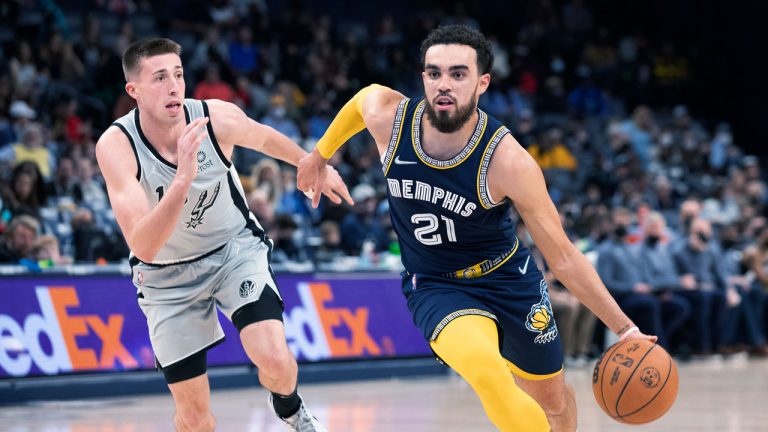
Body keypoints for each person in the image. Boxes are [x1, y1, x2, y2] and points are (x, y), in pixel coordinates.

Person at [297, 24, 655, 432]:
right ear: (423, 78)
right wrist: (319, 154)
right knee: (488, 374)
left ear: (482, 82)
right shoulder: (391, 121)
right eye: (434, 73)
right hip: (437, 285)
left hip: (508, 280)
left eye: (457, 73)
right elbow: (363, 100)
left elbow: (564, 257)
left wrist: (625, 329)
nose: (443, 85)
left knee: (553, 402)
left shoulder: (507, 161)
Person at [95, 38, 351, 432]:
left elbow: (264, 138)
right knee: (196, 419)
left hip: (233, 251)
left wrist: (311, 163)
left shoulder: (214, 117)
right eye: (160, 77)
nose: (174, 86)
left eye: (178, 75)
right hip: (166, 278)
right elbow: (142, 245)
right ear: (134, 90)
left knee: (276, 360)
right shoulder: (116, 146)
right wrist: (182, 180)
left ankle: (289, 406)